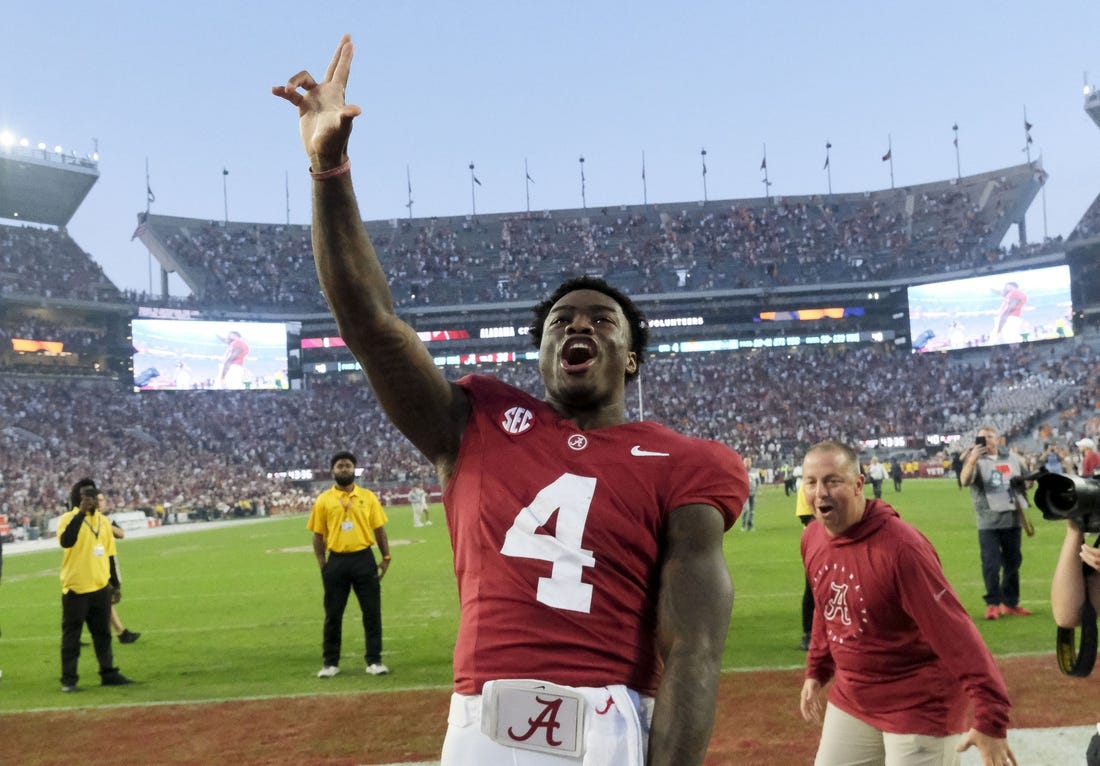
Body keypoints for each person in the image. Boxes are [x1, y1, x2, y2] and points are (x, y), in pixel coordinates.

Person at [274, 35, 749, 766]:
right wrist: (328, 169)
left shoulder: (686, 464)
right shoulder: (476, 421)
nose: (577, 325)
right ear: (542, 354)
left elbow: (695, 650)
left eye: (601, 320)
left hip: (612, 722)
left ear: (629, 357)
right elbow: (370, 325)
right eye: (561, 321)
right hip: (483, 727)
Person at [798, 441, 1016, 766]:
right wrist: (817, 669)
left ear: (859, 485)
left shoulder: (901, 550)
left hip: (918, 701)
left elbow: (957, 634)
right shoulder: (813, 537)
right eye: (811, 482)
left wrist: (991, 716)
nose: (820, 492)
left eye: (833, 481)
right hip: (854, 695)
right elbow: (827, 606)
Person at [307, 450, 391, 678]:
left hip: (364, 558)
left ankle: (374, 660)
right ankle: (330, 663)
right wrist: (322, 564)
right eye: (339, 466)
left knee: (372, 612)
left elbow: (379, 529)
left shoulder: (368, 497)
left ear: (354, 470)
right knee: (333, 614)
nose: (343, 469)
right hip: (336, 561)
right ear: (332, 471)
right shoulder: (324, 500)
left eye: (347, 465)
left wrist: (385, 557)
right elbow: (317, 535)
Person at [58, 478, 133, 692]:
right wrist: (81, 513)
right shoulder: (68, 518)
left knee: (103, 635)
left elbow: (109, 555)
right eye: (86, 497)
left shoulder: (103, 521)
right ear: (78, 498)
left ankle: (108, 673)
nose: (92, 501)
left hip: (100, 587)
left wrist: (115, 585)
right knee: (72, 636)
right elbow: (66, 541)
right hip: (76, 587)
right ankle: (69, 680)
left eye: (93, 496)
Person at [959, 425, 1031, 620]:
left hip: (1012, 518)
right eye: (982, 438)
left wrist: (1026, 483)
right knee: (991, 564)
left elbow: (1027, 481)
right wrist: (972, 458)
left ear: (998, 439)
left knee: (1013, 563)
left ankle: (1010, 603)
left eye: (990, 436)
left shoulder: (1013, 458)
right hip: (988, 521)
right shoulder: (974, 461)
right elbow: (964, 481)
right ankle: (992, 604)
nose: (987, 440)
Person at [99, 491, 141, 644]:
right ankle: (121, 633)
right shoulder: (86, 522)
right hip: (97, 565)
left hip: (104, 563)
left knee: (99, 601)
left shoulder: (106, 520)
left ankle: (121, 633)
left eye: (102, 500)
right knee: (101, 600)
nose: (100, 503)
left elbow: (121, 534)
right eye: (98, 500)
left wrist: (105, 525)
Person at [796, 487, 814, 651]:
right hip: (815, 542)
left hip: (841, 539)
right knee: (812, 589)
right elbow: (805, 516)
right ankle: (808, 633)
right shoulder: (806, 485)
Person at [740, 457, 759, 531]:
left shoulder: (754, 471)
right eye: (746, 462)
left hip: (753, 493)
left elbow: (758, 482)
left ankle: (750, 525)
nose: (748, 464)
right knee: (746, 509)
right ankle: (743, 525)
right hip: (745, 493)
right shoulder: (742, 471)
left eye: (749, 462)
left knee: (752, 510)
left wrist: (757, 490)